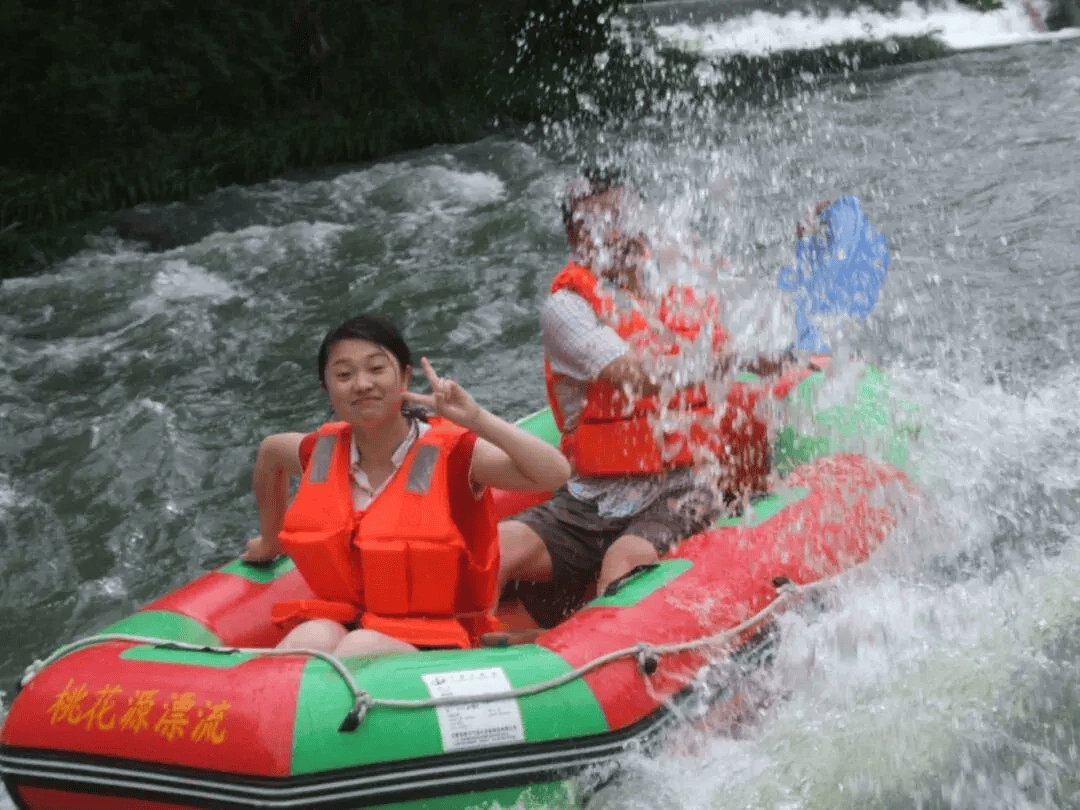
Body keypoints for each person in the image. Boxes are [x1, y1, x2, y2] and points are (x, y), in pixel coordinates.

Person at [498, 169, 772, 628]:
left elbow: (748, 353)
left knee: (623, 562)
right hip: (594, 493)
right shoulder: (567, 309)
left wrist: (764, 354)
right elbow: (636, 378)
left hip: (685, 484)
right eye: (599, 221)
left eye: (624, 216)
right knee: (500, 546)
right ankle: (478, 654)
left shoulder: (683, 291)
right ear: (574, 235)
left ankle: (606, 658)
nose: (616, 231)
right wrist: (721, 360)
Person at [241, 315, 571, 656]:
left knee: (359, 645)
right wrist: (270, 541)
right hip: (354, 620)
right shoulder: (321, 455)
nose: (362, 384)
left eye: (376, 369)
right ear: (327, 389)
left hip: (442, 640)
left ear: (405, 377)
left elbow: (554, 473)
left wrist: (476, 419)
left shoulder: (455, 457)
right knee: (313, 634)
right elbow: (271, 454)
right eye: (343, 375)